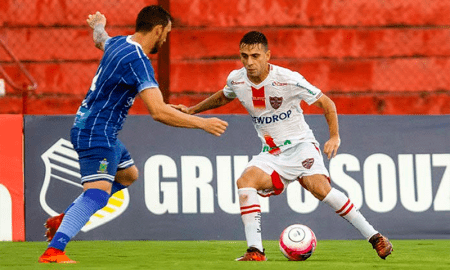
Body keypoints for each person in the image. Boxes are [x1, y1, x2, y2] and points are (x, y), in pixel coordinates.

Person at [173, 31, 393, 261]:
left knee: (320, 189)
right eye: (244, 56)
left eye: (255, 56)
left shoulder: (288, 79)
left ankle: (375, 237)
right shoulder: (236, 79)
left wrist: (334, 137)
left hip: (301, 146)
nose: (249, 62)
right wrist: (192, 110)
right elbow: (224, 96)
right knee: (245, 182)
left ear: (268, 55)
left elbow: (327, 103)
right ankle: (255, 251)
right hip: (271, 153)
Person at [38, 6, 228, 263]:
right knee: (96, 194)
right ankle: (54, 251)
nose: (165, 39)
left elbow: (100, 40)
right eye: (166, 33)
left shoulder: (118, 43)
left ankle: (68, 217)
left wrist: (97, 25)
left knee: (128, 175)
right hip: (97, 133)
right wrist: (201, 123)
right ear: (159, 29)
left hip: (95, 128)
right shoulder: (138, 60)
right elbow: (158, 113)